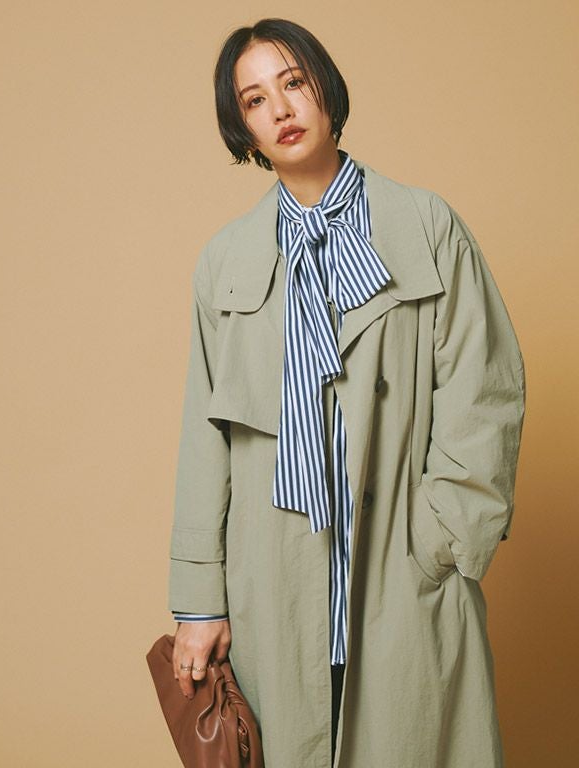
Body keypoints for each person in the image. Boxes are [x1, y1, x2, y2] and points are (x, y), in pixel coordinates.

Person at [166, 17, 526, 768]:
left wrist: (442, 538)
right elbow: (205, 438)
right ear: (242, 127)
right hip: (271, 586)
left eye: (293, 83)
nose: (281, 109)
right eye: (255, 100)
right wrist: (199, 602)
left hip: (402, 570)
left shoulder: (425, 226)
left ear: (325, 87)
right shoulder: (225, 262)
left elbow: (483, 391)